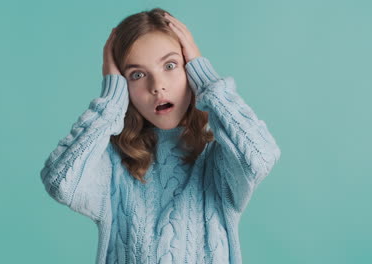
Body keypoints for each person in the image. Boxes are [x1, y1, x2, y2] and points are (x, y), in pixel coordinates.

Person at [40, 7, 281, 264]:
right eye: (137, 75)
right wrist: (110, 102)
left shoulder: (218, 161)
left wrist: (207, 79)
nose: (157, 86)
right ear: (123, 86)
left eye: (170, 65)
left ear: (190, 70)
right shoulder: (111, 164)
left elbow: (260, 156)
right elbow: (61, 183)